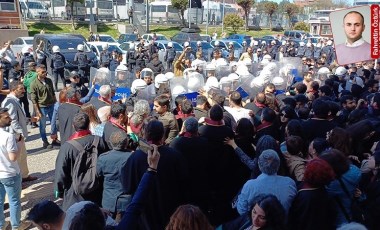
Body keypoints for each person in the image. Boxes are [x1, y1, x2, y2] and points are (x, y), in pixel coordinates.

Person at [54, 112, 108, 210]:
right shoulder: (99, 140)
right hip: (97, 188)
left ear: (73, 126)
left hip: (75, 193)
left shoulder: (67, 147)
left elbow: (61, 171)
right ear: (88, 125)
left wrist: (59, 190)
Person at [237, 149, 297, 215]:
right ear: (278, 164)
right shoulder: (290, 183)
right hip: (284, 223)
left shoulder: (249, 185)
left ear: (259, 164)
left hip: (258, 223)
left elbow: (242, 210)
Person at [0, 107, 31, 230]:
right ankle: (16, 225)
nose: (10, 118)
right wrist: (20, 144)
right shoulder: (8, 136)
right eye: (6, 117)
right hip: (10, 173)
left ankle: (1, 225)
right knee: (14, 201)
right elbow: (13, 157)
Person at [1, 80, 37, 184]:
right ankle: (18, 181)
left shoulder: (15, 100)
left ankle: (24, 176)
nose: (24, 91)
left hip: (17, 135)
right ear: (13, 90)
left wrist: (29, 119)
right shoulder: (10, 102)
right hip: (15, 135)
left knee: (23, 156)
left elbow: (19, 116)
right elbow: (13, 121)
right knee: (17, 158)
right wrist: (21, 134)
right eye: (21, 89)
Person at [96, 131, 134, 220]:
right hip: (126, 201)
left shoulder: (103, 158)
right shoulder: (132, 157)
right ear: (126, 143)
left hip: (109, 201)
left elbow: (98, 174)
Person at [219, 194, 286, 230]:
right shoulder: (248, 217)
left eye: (262, 217)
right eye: (254, 212)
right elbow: (227, 227)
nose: (254, 219)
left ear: (271, 219)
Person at [30, 66, 57, 149]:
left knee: (54, 123)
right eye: (42, 72)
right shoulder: (34, 84)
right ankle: (45, 141)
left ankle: (55, 139)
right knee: (43, 125)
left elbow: (53, 92)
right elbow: (34, 100)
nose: (45, 73)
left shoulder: (49, 81)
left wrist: (56, 103)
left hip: (52, 105)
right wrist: (38, 112)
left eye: (45, 71)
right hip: (42, 107)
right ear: (37, 73)